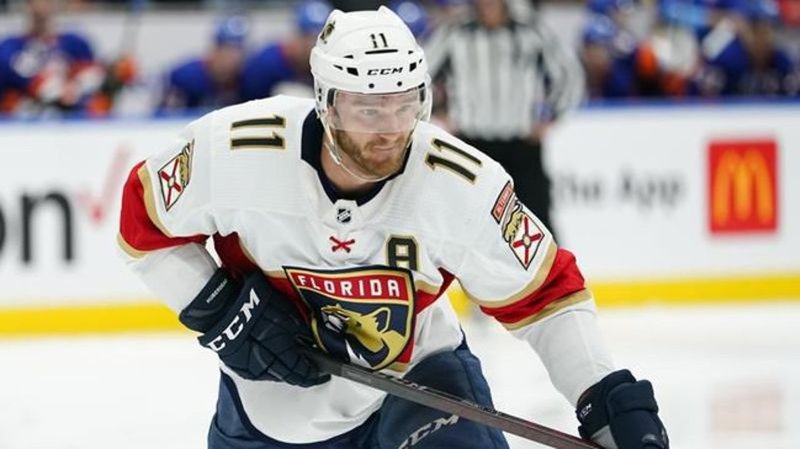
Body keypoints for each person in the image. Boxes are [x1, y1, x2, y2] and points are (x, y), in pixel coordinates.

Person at [118, 7, 668, 449]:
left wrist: (602, 391)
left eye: (405, 107)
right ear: (326, 103)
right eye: (369, 111)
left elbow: (546, 295)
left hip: (423, 381)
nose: (391, 132)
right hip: (273, 408)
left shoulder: (459, 183)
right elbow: (142, 220)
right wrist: (222, 311)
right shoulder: (237, 149)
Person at [423, 0, 584, 234]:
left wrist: (551, 116)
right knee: (467, 222)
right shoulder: (455, 31)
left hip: (521, 144)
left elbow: (569, 74)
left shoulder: (531, 30)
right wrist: (438, 112)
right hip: (472, 144)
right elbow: (422, 73)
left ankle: (550, 261)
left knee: (537, 221)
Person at [0, 0, 109, 116]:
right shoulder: (10, 47)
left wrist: (75, 87)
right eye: (33, 2)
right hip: (25, 120)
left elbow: (94, 78)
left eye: (46, 2)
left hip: (72, 119)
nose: (40, 7)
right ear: (26, 6)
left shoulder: (75, 43)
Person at [240, 0, 332, 101]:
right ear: (295, 35)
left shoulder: (329, 64)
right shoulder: (265, 64)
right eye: (307, 37)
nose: (313, 44)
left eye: (321, 38)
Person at [157, 15, 250, 113]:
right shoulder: (187, 76)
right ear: (215, 50)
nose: (233, 58)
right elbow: (166, 117)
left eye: (238, 50)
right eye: (226, 50)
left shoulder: (246, 80)